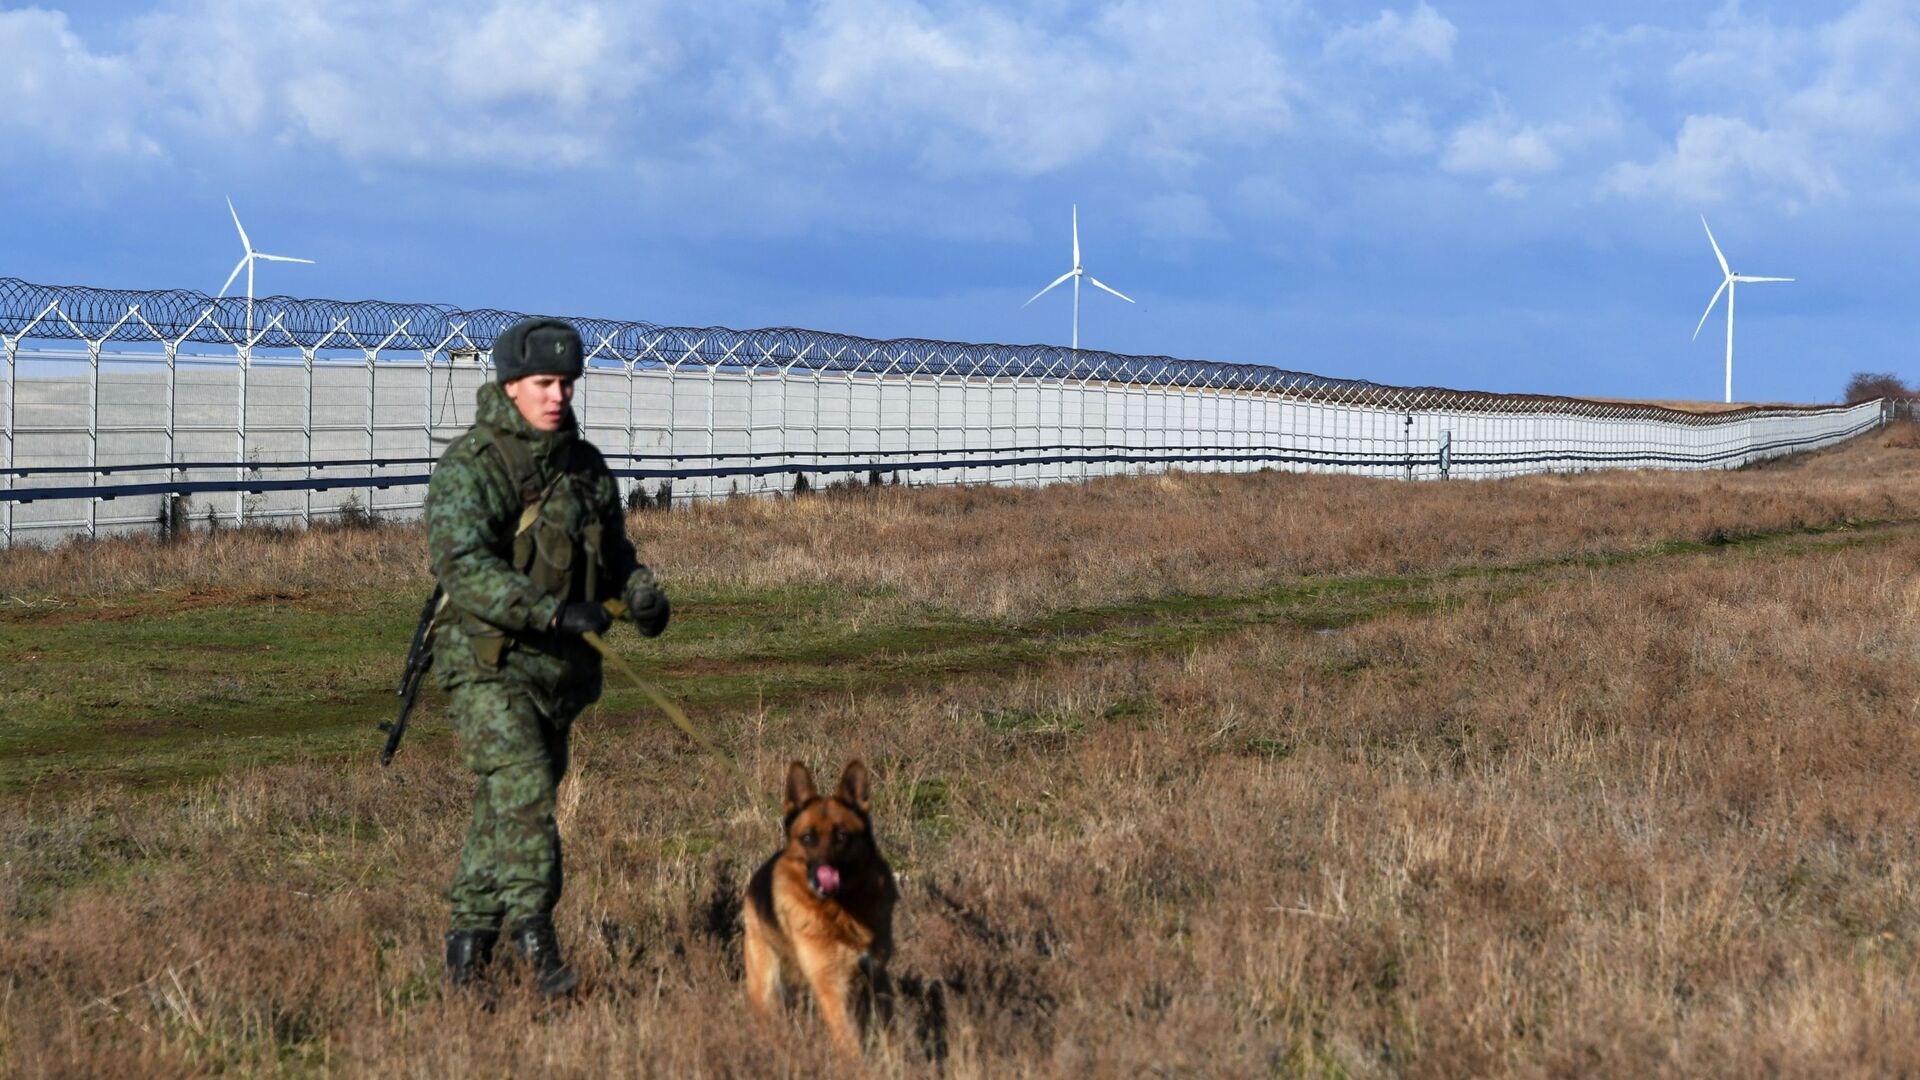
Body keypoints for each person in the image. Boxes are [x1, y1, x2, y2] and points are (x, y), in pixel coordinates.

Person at [425, 316, 671, 996]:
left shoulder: (586, 469)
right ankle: (540, 954)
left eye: (565, 383)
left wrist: (643, 596)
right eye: (542, 383)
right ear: (509, 387)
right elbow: (464, 567)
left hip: (559, 676)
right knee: (527, 793)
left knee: (504, 810)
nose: (556, 395)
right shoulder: (473, 468)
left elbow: (617, 555)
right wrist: (554, 613)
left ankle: (466, 960)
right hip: (488, 665)